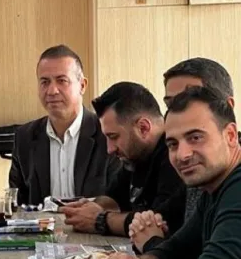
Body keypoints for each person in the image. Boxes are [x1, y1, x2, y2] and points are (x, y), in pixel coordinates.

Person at [95, 86, 241, 259]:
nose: (182, 155)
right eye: (173, 144)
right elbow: (180, 248)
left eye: (195, 138)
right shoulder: (214, 186)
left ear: (230, 136)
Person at [130, 57, 236, 252]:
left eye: (192, 97)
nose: (181, 110)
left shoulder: (217, 169)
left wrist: (151, 243)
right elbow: (177, 240)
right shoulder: (204, 176)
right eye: (172, 104)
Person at [61, 82, 186, 239]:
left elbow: (159, 222)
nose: (110, 149)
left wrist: (100, 220)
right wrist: (88, 209)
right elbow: (113, 198)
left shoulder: (174, 156)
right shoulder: (136, 155)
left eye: (114, 137)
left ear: (143, 128)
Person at [8, 44, 110, 206]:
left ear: (82, 85)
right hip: (41, 223)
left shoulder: (107, 134)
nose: (52, 91)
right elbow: (18, 204)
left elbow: (119, 202)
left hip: (94, 223)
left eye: (62, 81)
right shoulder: (24, 137)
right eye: (45, 82)